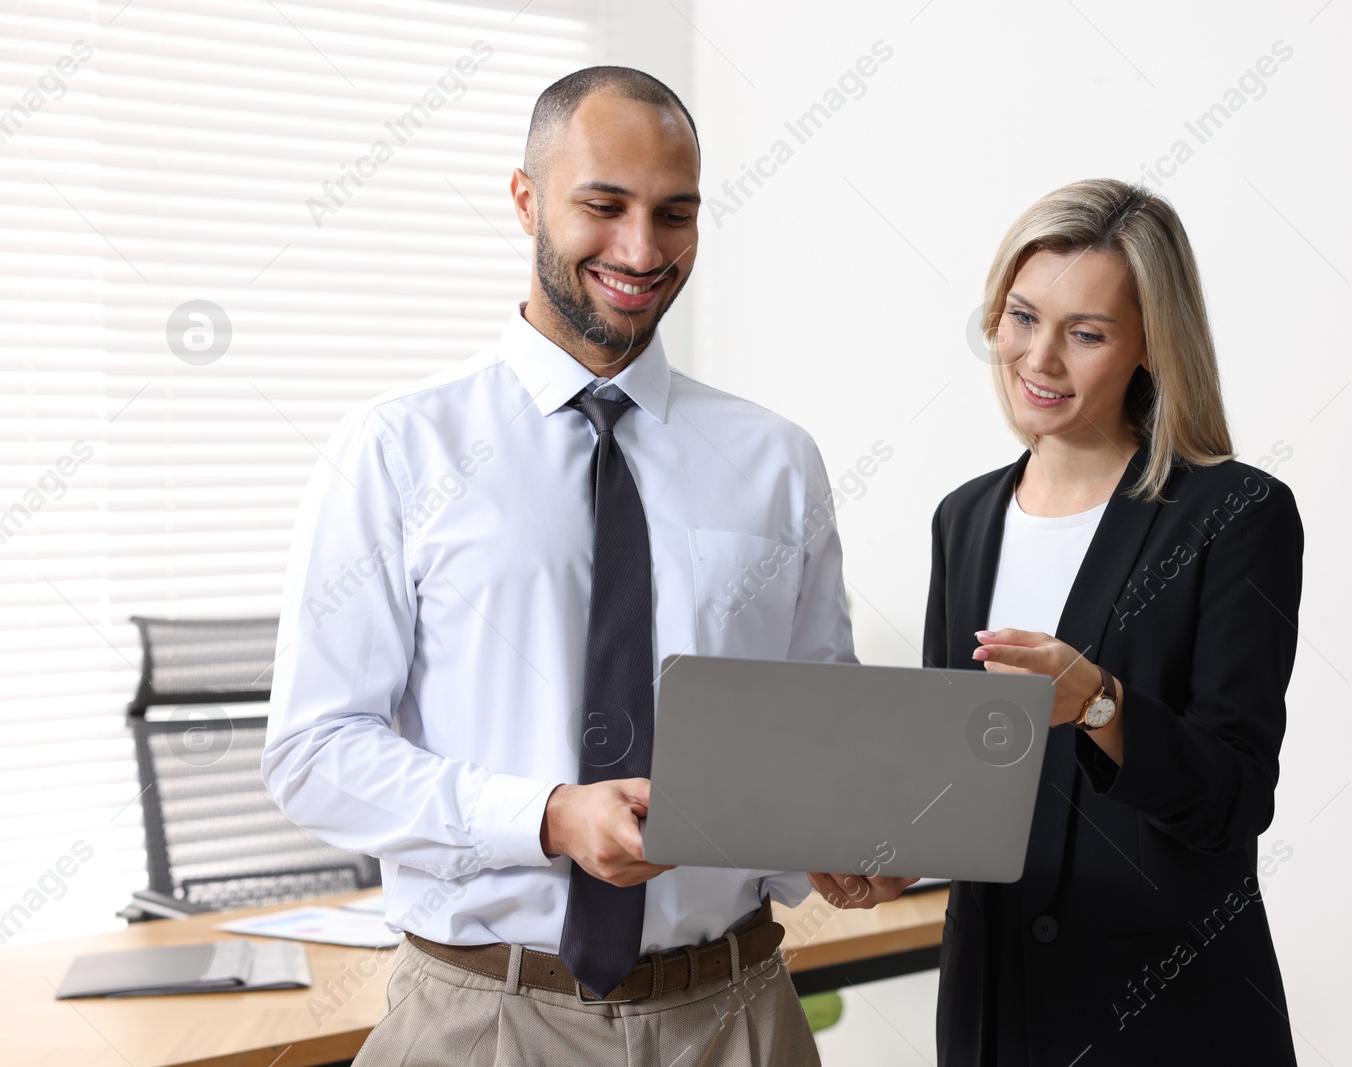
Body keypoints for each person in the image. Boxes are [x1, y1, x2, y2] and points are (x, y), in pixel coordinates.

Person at [263, 65, 888, 1065]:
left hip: (736, 1015)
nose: (641, 250)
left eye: (674, 214)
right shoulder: (395, 449)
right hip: (487, 1019)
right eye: (603, 206)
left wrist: (837, 840)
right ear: (525, 199)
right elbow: (314, 752)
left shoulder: (775, 459)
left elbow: (808, 725)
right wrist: (547, 816)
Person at [904, 178, 1303, 1064]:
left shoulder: (1233, 513)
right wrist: (891, 853)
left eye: (1085, 334)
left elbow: (1235, 799)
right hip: (993, 1012)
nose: (1038, 359)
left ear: (1152, 347)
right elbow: (954, 777)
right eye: (1020, 317)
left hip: (1162, 1017)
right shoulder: (962, 519)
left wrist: (1098, 701)